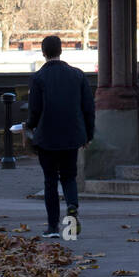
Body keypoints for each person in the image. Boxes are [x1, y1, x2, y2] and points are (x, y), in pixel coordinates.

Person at [27, 35, 95, 237]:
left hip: (47, 137)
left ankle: (53, 227)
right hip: (72, 135)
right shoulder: (78, 75)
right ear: (61, 51)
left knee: (50, 181)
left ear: (43, 52)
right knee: (69, 177)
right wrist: (87, 135)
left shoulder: (38, 78)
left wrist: (29, 127)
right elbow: (88, 108)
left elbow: (35, 111)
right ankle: (72, 209)